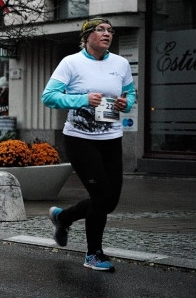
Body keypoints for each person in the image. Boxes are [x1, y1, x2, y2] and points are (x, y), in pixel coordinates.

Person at [42, 17, 136, 272]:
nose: (107, 34)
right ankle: (94, 253)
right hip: (80, 139)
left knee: (110, 201)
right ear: (87, 36)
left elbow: (130, 96)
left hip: (111, 138)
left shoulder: (121, 64)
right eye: (100, 30)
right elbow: (48, 97)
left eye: (110, 30)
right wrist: (82, 99)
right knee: (101, 196)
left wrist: (123, 104)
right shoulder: (71, 63)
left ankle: (63, 217)